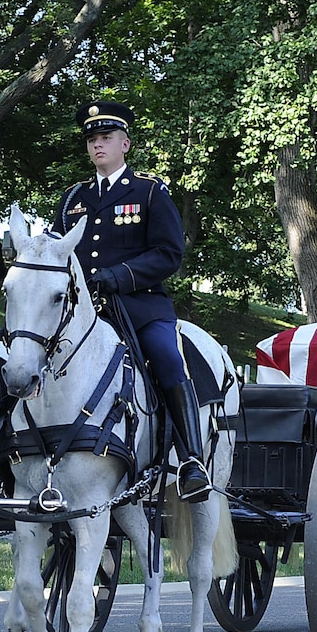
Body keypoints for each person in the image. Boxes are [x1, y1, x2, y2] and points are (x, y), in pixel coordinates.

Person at [57, 100, 208, 500]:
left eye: (105, 137)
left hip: (140, 308)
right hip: (83, 314)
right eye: (91, 139)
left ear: (125, 143)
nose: (97, 145)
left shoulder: (149, 191)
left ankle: (192, 460)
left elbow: (168, 253)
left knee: (166, 355)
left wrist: (119, 277)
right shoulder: (73, 198)